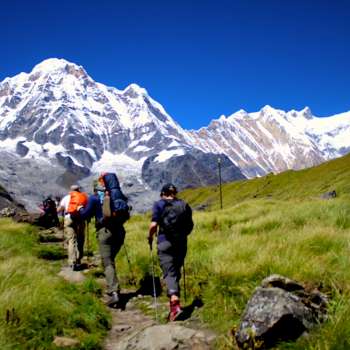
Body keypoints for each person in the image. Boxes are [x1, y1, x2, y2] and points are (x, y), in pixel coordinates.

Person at [148, 183, 194, 321]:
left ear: (163, 193)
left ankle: (175, 305)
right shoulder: (184, 205)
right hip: (181, 243)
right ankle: (174, 303)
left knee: (169, 272)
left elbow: (154, 225)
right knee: (176, 271)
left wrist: (150, 237)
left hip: (165, 241)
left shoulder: (159, 204)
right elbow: (190, 225)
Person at [79, 180, 126, 307]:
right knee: (110, 260)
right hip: (120, 231)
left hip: (105, 232)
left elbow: (84, 215)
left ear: (95, 189)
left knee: (108, 262)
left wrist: (80, 208)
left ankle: (114, 292)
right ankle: (113, 284)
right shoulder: (116, 197)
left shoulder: (94, 199)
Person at [57, 185, 86, 271]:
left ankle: (72, 262)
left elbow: (60, 209)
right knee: (80, 239)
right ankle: (78, 260)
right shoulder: (82, 197)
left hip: (69, 218)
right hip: (80, 219)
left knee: (71, 240)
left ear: (71, 190)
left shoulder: (66, 198)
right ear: (79, 190)